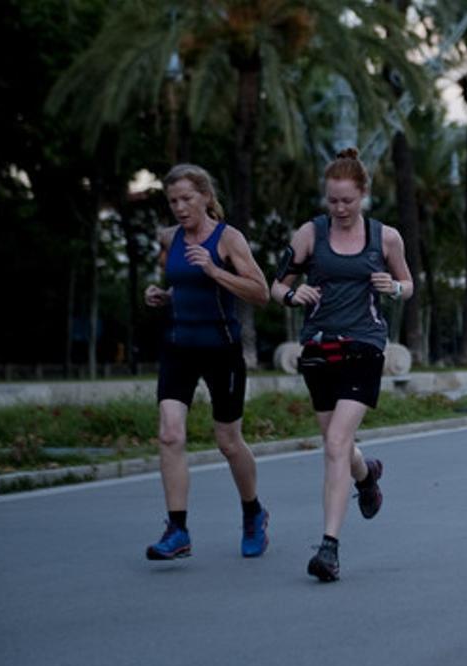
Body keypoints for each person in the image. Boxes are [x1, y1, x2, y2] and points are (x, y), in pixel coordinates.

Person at [270, 148, 413, 582]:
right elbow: (276, 285)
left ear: (363, 194)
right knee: (337, 444)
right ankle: (366, 476)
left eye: (347, 200)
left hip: (364, 345)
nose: (340, 208)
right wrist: (292, 295)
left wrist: (394, 287)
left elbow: (408, 284)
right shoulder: (309, 234)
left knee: (335, 442)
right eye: (332, 200)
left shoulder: (385, 237)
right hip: (318, 346)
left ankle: (328, 549)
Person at [143, 164, 271, 561]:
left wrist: (215, 270)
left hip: (222, 349)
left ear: (205, 197)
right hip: (179, 346)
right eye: (173, 201)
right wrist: (162, 295)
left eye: (187, 199)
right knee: (170, 434)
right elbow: (182, 285)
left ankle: (253, 513)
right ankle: (177, 529)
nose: (180, 208)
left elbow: (261, 293)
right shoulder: (169, 238)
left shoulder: (228, 238)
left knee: (228, 442)